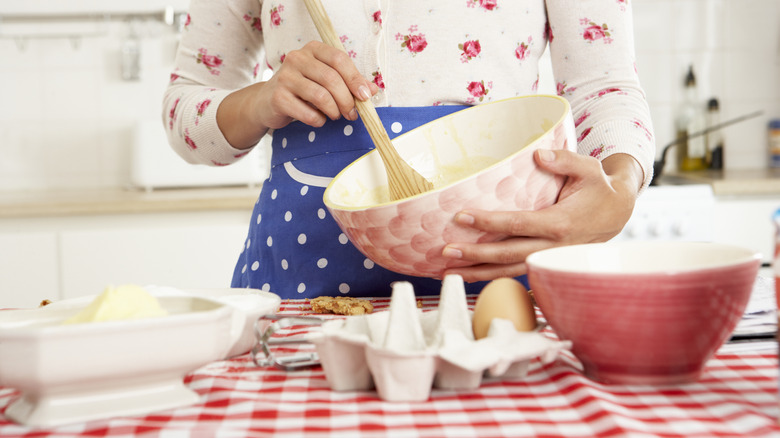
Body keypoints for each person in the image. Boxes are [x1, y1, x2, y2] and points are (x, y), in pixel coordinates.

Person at [163, 0, 655, 299]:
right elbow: (186, 107)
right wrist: (262, 99)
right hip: (298, 297)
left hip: (490, 285)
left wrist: (620, 189)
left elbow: (605, 87)